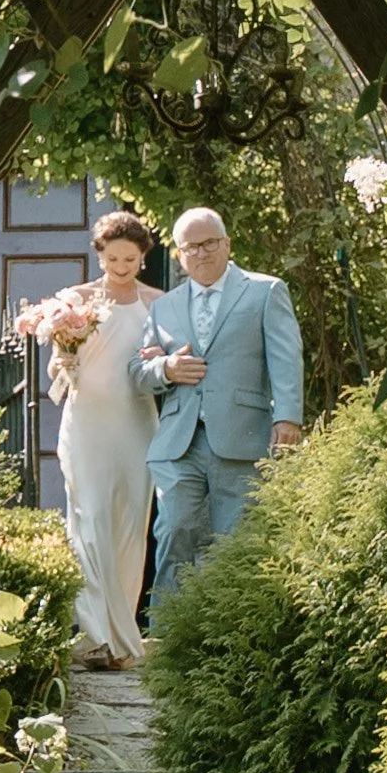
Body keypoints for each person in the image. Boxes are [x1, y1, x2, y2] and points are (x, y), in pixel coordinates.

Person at [135, 205, 304, 625]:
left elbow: (286, 358)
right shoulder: (164, 307)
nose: (202, 253)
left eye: (210, 243)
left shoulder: (265, 291)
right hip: (179, 441)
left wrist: (288, 418)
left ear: (227, 244)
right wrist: (166, 369)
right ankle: (165, 641)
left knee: (238, 540)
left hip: (243, 434)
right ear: (179, 255)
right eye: (191, 247)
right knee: (174, 532)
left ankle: (232, 637)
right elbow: (138, 370)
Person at [45, 208, 160, 671]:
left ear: (142, 259)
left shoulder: (157, 302)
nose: (120, 267)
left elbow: (166, 361)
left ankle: (121, 635)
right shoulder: (75, 301)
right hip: (87, 422)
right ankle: (94, 636)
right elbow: (57, 364)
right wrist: (64, 364)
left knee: (132, 524)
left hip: (136, 424)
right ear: (99, 256)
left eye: (129, 260)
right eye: (112, 259)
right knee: (89, 520)